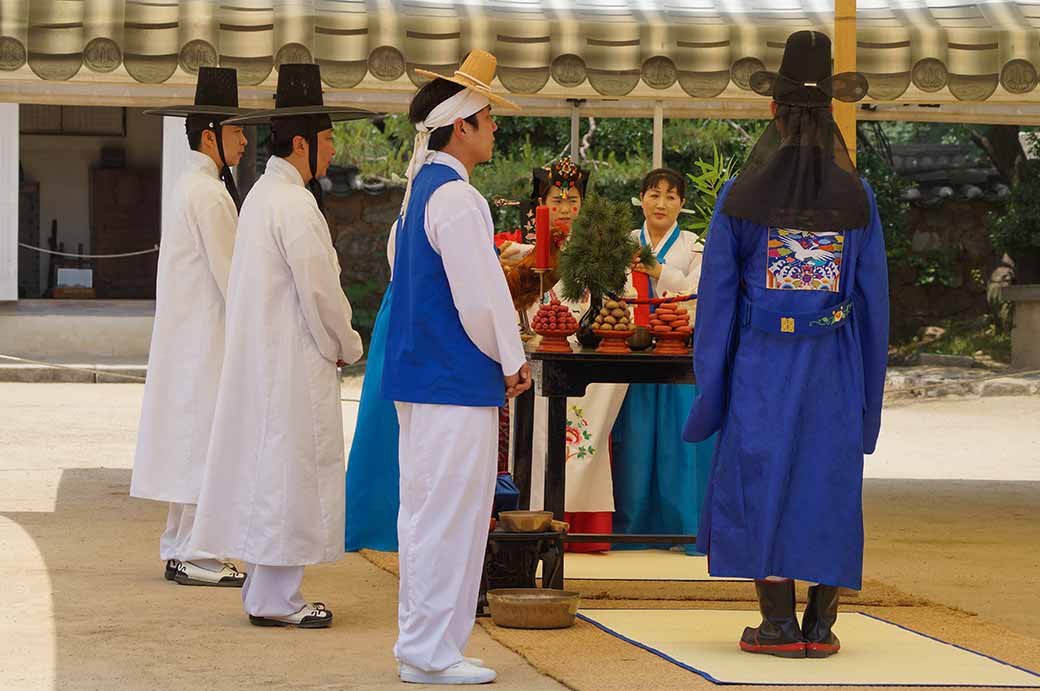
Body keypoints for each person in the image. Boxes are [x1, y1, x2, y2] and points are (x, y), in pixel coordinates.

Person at [684, 30, 888, 658]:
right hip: (834, 361)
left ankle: (776, 624)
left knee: (761, 473)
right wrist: (869, 399)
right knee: (827, 475)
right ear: (831, 115)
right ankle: (821, 625)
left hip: (762, 363)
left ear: (773, 110)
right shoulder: (857, 196)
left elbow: (717, 301)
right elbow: (874, 304)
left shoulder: (741, 197)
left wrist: (712, 387)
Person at [190, 63, 372, 629]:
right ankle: (275, 598)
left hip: (270, 355)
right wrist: (346, 343)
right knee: (288, 475)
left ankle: (266, 591)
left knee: (273, 471)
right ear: (301, 143)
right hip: (292, 358)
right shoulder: (293, 204)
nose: (333, 149)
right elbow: (320, 291)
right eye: (327, 139)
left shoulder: (263, 196)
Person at [382, 49, 529, 685]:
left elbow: (402, 269)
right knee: (450, 518)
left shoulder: (419, 193)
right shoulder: (458, 198)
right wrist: (512, 359)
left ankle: (427, 646)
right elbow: (482, 296)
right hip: (454, 381)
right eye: (487, 117)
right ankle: (430, 651)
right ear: (461, 125)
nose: (494, 128)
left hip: (422, 377)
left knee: (426, 513)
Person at [130, 66, 251, 587]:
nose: (244, 141)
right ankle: (197, 552)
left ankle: (181, 547)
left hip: (193, 336)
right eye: (237, 131)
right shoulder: (208, 193)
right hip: (207, 338)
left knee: (193, 442)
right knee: (205, 444)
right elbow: (234, 276)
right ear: (210, 137)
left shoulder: (193, 186)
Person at [611, 168, 716, 555]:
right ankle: (632, 525)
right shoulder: (623, 242)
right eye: (654, 194)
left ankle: (684, 525)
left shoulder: (694, 244)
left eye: (671, 196)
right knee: (635, 443)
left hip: (677, 353)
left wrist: (659, 272)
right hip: (630, 354)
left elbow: (701, 291)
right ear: (641, 198)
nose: (661, 203)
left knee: (679, 443)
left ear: (682, 204)